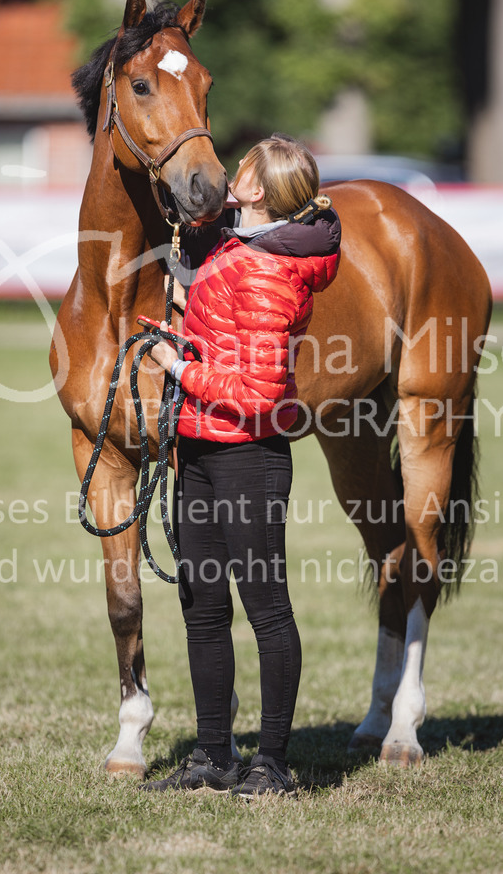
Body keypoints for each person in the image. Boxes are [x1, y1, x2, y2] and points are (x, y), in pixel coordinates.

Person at [142, 133, 341, 798]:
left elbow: (258, 393)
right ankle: (210, 756)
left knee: (264, 609)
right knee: (202, 606)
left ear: (256, 189)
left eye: (244, 167)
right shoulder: (239, 246)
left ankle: (272, 764)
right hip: (199, 448)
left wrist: (179, 368)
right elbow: (226, 343)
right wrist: (182, 335)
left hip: (247, 458)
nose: (231, 172)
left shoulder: (263, 269)